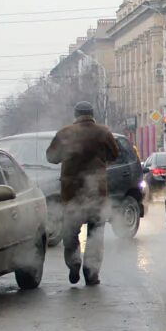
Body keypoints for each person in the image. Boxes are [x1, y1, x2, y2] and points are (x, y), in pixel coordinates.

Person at [46, 101, 119, 286]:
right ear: (92, 114)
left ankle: (74, 262)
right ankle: (91, 273)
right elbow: (115, 154)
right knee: (95, 234)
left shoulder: (65, 133)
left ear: (76, 115)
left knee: (70, 233)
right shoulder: (103, 132)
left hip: (71, 193)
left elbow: (51, 157)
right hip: (97, 193)